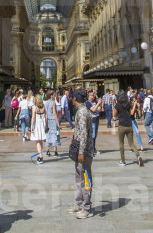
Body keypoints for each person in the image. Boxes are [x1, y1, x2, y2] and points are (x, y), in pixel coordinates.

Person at [69, 88, 95, 219]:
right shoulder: (81, 111)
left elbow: (84, 133)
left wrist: (81, 152)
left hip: (84, 151)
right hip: (80, 149)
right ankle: (79, 203)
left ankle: (87, 207)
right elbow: (80, 130)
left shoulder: (83, 112)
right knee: (79, 178)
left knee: (85, 178)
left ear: (75, 99)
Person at [114, 91, 143, 167]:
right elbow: (132, 113)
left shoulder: (117, 105)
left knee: (121, 143)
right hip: (129, 125)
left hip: (122, 125)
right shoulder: (128, 105)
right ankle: (138, 156)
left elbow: (114, 115)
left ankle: (123, 161)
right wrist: (133, 106)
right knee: (131, 143)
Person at [30, 90, 48, 163]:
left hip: (37, 124)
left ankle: (40, 156)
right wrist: (46, 125)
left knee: (37, 140)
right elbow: (46, 116)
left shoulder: (35, 107)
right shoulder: (44, 107)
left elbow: (33, 117)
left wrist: (31, 126)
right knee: (41, 140)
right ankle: (39, 155)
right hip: (42, 123)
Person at [45, 89, 61, 156]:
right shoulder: (53, 102)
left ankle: (47, 151)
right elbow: (54, 113)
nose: (55, 96)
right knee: (55, 135)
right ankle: (55, 151)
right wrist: (57, 122)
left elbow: (45, 114)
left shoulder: (46, 103)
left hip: (48, 120)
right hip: (53, 120)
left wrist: (46, 122)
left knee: (48, 135)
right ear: (51, 96)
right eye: (54, 95)